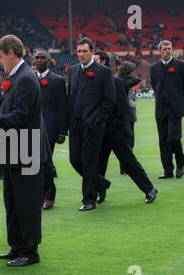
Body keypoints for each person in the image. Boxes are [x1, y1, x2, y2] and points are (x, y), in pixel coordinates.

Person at [0, 34, 50, 267]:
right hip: (15, 152)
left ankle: (30, 251)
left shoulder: (25, 78)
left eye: (0, 56)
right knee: (14, 203)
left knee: (26, 204)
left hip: (26, 152)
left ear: (12, 53)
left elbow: (20, 117)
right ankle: (17, 246)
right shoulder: (18, 77)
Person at [93, 52, 158, 205]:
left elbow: (123, 108)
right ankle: (99, 192)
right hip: (100, 129)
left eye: (95, 59)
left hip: (114, 129)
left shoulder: (114, 80)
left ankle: (149, 189)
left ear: (103, 61)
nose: (92, 61)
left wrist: (114, 125)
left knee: (128, 161)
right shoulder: (93, 79)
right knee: (99, 163)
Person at [67, 37, 116, 211]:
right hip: (76, 125)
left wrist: (97, 120)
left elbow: (110, 100)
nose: (81, 54)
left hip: (93, 126)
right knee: (74, 160)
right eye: (79, 51)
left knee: (88, 162)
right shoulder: (72, 71)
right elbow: (70, 98)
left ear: (92, 52)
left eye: (85, 51)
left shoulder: (103, 72)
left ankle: (89, 200)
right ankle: (101, 183)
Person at [150, 40, 184, 179]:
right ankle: (168, 170)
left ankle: (180, 163)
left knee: (173, 138)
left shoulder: (181, 65)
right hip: (161, 108)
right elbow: (154, 85)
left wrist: (178, 100)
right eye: (164, 49)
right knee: (163, 140)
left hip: (175, 108)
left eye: (169, 48)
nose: (167, 51)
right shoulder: (154, 67)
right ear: (160, 51)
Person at [34, 49, 68, 210]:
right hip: (31, 127)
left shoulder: (57, 80)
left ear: (49, 61)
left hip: (50, 129)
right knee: (37, 163)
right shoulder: (30, 79)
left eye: (42, 58)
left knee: (44, 162)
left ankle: (49, 195)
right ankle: (42, 195)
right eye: (37, 58)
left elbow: (62, 107)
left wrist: (62, 131)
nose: (39, 60)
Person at [117, 61, 141, 175]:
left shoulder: (118, 79)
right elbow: (137, 79)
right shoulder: (123, 81)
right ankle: (126, 165)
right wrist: (128, 75)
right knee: (129, 139)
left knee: (125, 139)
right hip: (127, 111)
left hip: (124, 112)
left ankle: (124, 166)